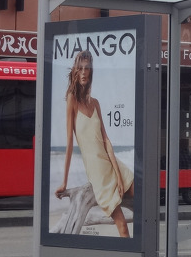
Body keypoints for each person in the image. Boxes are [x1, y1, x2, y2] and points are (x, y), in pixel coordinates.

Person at [55, 51, 134, 238]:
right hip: (98, 175)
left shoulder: (96, 103)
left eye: (87, 68)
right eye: (80, 68)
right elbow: (69, 143)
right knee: (122, 225)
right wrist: (64, 182)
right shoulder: (72, 100)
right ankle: (127, 255)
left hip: (113, 165)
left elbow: (106, 140)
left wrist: (118, 175)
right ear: (75, 72)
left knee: (143, 203)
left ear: (91, 72)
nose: (83, 72)